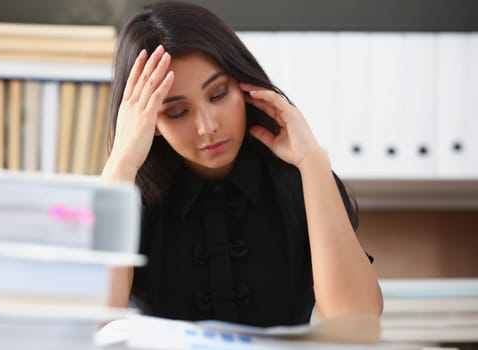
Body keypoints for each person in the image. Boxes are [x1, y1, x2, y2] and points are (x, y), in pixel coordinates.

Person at [101, 2, 383, 327]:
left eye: (218, 94)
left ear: (243, 85)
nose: (207, 126)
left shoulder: (300, 180)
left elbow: (358, 319)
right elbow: (90, 327)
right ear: (148, 121)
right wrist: (120, 163)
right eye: (177, 112)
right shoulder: (132, 197)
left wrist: (313, 162)